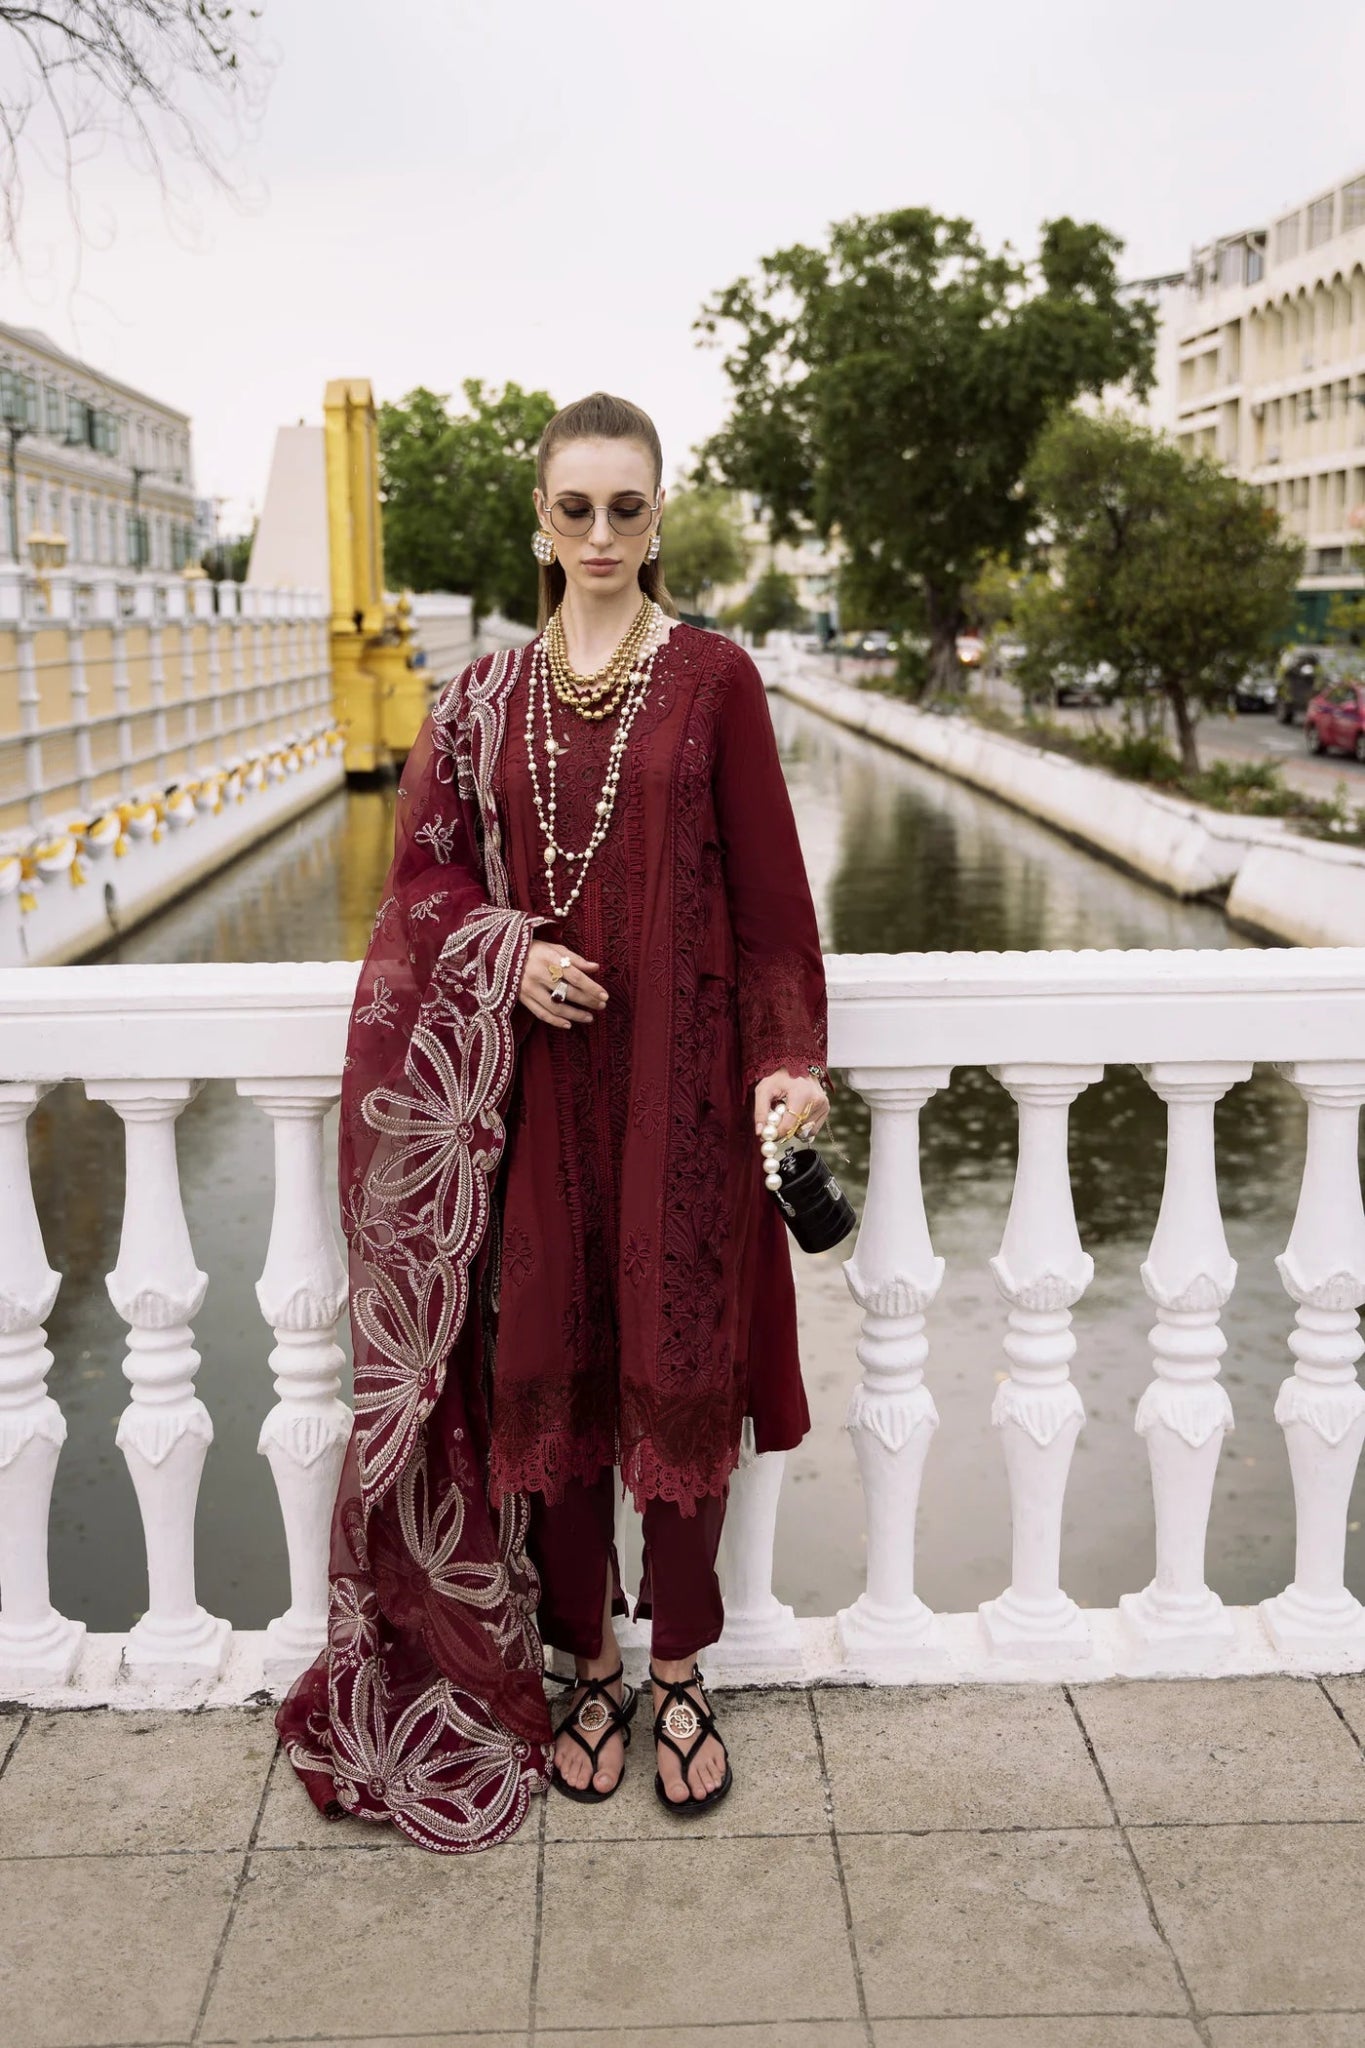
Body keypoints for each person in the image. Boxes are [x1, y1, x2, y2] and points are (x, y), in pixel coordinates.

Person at [274, 390, 830, 1854]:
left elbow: (775, 902)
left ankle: (682, 1669)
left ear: (661, 517)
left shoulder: (714, 680)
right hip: (535, 1097)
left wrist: (788, 1059)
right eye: (575, 509)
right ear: (542, 521)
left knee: (677, 1369)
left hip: (687, 1097)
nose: (600, 534)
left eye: (626, 509)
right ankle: (587, 1664)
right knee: (560, 1373)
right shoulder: (475, 699)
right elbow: (424, 884)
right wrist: (506, 954)